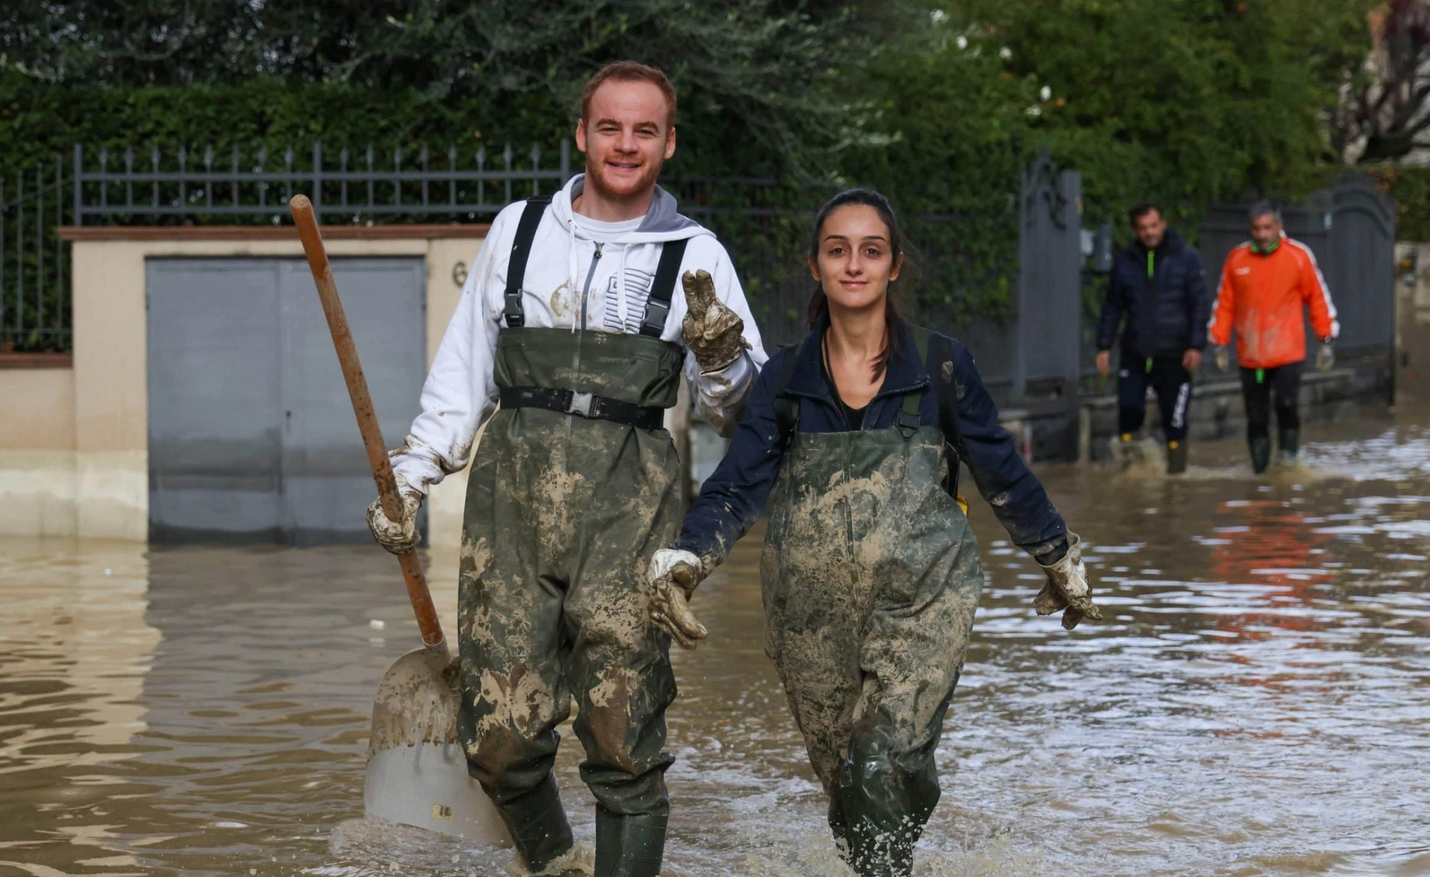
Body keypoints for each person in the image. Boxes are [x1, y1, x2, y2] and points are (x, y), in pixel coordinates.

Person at [366, 61, 767, 877]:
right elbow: (464, 369)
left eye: (644, 130)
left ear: (669, 143)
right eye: (609, 127)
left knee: (624, 734)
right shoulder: (518, 231)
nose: (625, 144)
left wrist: (722, 354)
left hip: (633, 511)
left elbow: (742, 414)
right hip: (508, 510)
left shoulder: (697, 254)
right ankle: (554, 864)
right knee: (498, 737)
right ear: (582, 134)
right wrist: (412, 473)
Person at [642, 189, 1099, 876]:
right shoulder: (785, 380)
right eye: (838, 250)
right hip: (810, 619)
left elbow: (1001, 469)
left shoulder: (941, 368)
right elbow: (736, 485)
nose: (854, 264)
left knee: (877, 760)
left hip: (923, 601)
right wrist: (688, 556)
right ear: (816, 266)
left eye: (871, 250)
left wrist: (1059, 556)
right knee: (850, 791)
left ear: (895, 267)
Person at [1208, 201, 1339, 473]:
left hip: (1287, 353)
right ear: (1250, 229)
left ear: (1279, 226)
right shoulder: (1237, 259)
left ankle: (1288, 465)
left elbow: (1317, 298)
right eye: (1257, 228)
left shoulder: (1298, 256)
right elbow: (1224, 303)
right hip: (1251, 356)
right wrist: (1219, 341)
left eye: (1268, 228)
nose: (1262, 234)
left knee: (1286, 405)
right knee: (1256, 417)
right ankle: (1260, 474)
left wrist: (1326, 339)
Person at [1094, 202, 1210, 474]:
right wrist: (1103, 346)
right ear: (1135, 230)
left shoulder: (1187, 257)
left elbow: (1199, 304)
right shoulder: (1125, 260)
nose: (1149, 232)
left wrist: (1196, 344)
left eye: (1154, 225)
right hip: (1135, 353)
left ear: (1163, 224)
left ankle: (1176, 480)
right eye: (1143, 228)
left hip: (1175, 354)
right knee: (1129, 411)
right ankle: (1131, 475)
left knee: (1175, 420)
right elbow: (1113, 306)